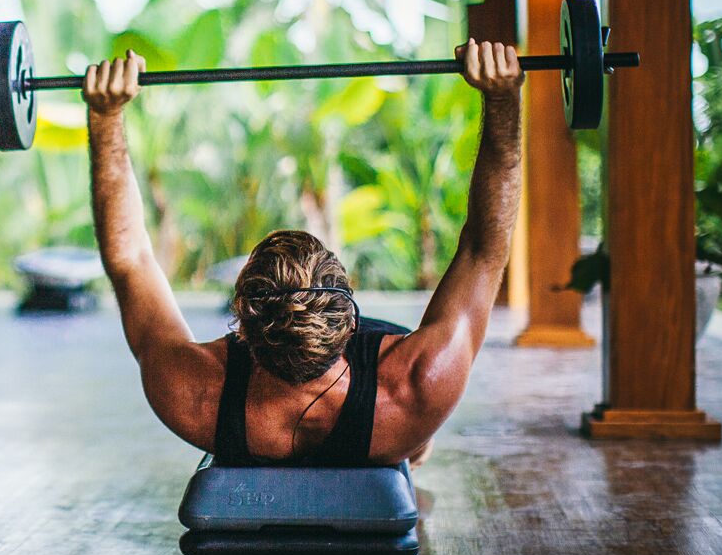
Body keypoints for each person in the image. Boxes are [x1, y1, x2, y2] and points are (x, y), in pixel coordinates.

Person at [83, 39, 523, 467]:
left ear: (241, 325)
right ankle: (415, 446)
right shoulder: (417, 386)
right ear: (351, 320)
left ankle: (412, 444)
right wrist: (502, 100)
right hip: (392, 426)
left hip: (347, 412)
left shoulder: (190, 394)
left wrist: (106, 116)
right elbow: (484, 249)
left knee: (410, 433)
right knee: (414, 440)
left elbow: (130, 259)